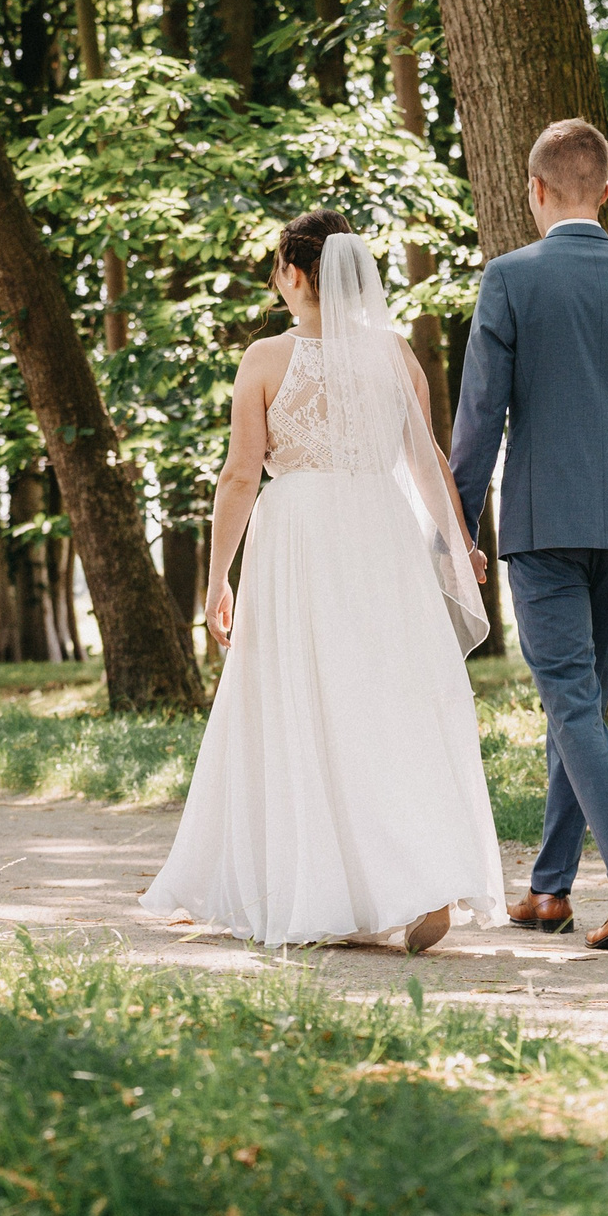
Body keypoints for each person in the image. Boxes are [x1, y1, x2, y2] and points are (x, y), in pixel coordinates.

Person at [141, 213, 506, 952]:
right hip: (381, 535)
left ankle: (327, 888)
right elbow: (428, 462)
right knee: (387, 701)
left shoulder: (267, 359)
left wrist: (217, 578)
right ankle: (417, 876)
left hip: (298, 540)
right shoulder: (396, 356)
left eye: (278, 267)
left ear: (297, 275)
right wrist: (457, 541)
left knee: (305, 704)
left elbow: (242, 474)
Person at [448, 119, 608, 951]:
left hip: (544, 524)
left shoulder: (510, 278)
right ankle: (548, 890)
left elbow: (481, 413)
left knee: (572, 700)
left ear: (536, 190)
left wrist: (458, 522)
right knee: (578, 699)